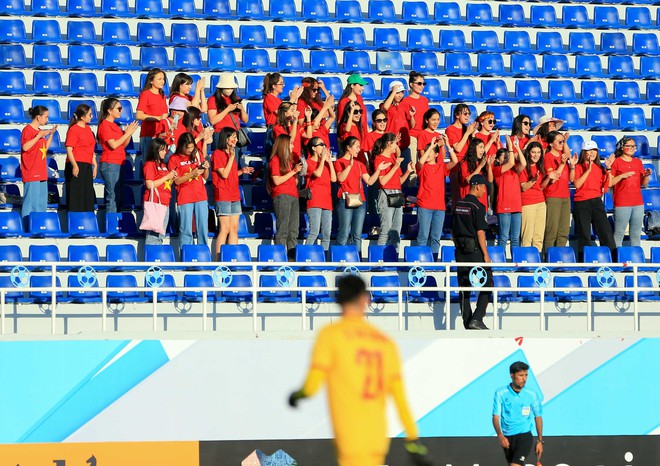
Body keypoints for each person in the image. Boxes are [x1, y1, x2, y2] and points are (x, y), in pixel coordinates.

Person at [288, 275, 431, 466]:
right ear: (365, 299)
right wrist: (412, 438)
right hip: (377, 438)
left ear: (339, 300)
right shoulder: (385, 342)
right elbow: (399, 397)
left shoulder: (331, 335)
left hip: (349, 437)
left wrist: (297, 396)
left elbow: (312, 384)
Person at [335, 137, 390, 255]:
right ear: (348, 148)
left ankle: (356, 260)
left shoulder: (360, 164)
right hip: (345, 199)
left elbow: (369, 181)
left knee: (357, 235)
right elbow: (340, 179)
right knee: (344, 233)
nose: (359, 150)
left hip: (360, 201)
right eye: (357, 147)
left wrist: (378, 170)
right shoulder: (339, 162)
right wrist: (349, 166)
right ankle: (340, 259)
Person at [452, 174, 493, 330]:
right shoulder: (477, 206)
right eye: (484, 188)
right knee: (487, 283)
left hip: (460, 250)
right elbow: (480, 232)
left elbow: (453, 230)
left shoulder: (457, 204)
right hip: (474, 251)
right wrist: (486, 255)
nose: (484, 192)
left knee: (464, 287)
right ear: (477, 186)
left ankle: (467, 322)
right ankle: (477, 318)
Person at [570, 141, 617, 261]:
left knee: (606, 232)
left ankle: (613, 260)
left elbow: (608, 185)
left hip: (596, 201)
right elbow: (577, 184)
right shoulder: (579, 166)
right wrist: (588, 170)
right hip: (582, 202)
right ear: (584, 153)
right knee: (584, 235)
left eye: (594, 150)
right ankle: (584, 261)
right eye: (589, 150)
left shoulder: (600, 168)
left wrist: (609, 168)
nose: (592, 153)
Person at [212, 128, 254, 257]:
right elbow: (223, 174)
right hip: (223, 195)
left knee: (234, 229)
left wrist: (242, 171)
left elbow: (230, 173)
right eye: (233, 137)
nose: (235, 139)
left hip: (234, 195)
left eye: (236, 137)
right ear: (225, 139)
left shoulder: (232, 154)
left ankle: (232, 258)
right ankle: (219, 259)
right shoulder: (217, 154)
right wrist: (231, 157)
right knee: (224, 229)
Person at [492, 361, 543, 466]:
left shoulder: (531, 394)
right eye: (521, 375)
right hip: (507, 438)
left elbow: (538, 417)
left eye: (526, 375)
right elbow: (496, 416)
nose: (524, 379)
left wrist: (540, 441)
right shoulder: (501, 393)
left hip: (524, 436)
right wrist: (500, 436)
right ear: (512, 375)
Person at [416, 135, 457, 255]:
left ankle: (433, 262)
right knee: (423, 236)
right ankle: (421, 262)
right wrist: (431, 146)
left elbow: (455, 161)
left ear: (436, 155)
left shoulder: (441, 167)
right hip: (425, 205)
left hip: (439, 207)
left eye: (432, 152)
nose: (428, 154)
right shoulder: (423, 168)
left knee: (435, 237)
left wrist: (448, 145)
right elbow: (420, 163)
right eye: (427, 152)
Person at [98, 98, 139, 213]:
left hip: (119, 162)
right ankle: (111, 226)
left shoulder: (115, 126)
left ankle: (116, 224)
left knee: (119, 196)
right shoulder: (105, 125)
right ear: (109, 111)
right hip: (111, 163)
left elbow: (123, 145)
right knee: (113, 197)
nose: (121, 111)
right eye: (118, 108)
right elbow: (113, 145)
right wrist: (127, 134)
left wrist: (128, 134)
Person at [169, 132, 209, 248]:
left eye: (192, 147)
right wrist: (191, 174)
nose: (190, 150)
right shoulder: (174, 159)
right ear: (181, 146)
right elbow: (176, 181)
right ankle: (186, 257)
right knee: (185, 229)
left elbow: (205, 177)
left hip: (200, 195)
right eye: (188, 147)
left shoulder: (197, 154)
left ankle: (203, 256)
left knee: (202, 228)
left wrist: (206, 167)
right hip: (185, 196)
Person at [374, 133, 414, 249]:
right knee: (385, 230)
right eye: (395, 144)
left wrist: (407, 171)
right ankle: (380, 260)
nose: (397, 146)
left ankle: (394, 259)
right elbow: (382, 181)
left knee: (396, 231)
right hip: (386, 194)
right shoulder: (379, 159)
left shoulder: (392, 158)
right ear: (389, 144)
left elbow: (399, 181)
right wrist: (395, 167)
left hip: (397, 193)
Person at [610, 136, 651, 248]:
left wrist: (646, 176)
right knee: (619, 233)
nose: (633, 148)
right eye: (629, 146)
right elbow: (610, 182)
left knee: (635, 234)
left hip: (638, 203)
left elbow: (644, 184)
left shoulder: (638, 162)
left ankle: (636, 261)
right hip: (622, 202)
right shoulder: (616, 162)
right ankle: (615, 260)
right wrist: (622, 176)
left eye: (634, 146)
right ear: (622, 148)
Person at [20, 106, 57, 222]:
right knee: (30, 204)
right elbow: (25, 147)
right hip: (32, 173)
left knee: (41, 205)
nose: (47, 119)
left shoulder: (39, 132)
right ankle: (27, 228)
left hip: (41, 173)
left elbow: (44, 148)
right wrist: (38, 137)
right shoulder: (28, 130)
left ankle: (39, 226)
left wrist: (51, 134)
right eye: (46, 117)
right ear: (38, 117)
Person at [269, 134, 302, 259]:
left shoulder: (290, 161)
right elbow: (276, 180)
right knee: (283, 229)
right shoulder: (276, 160)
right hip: (282, 195)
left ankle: (292, 259)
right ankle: (280, 258)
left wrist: (297, 173)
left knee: (293, 230)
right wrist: (293, 171)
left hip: (293, 195)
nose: (293, 146)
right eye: (291, 143)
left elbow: (294, 182)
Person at [492, 138, 527, 254]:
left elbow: (523, 163)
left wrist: (517, 147)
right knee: (503, 237)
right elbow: (511, 162)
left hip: (516, 206)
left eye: (508, 155)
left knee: (516, 238)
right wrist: (510, 147)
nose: (507, 157)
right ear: (498, 159)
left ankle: (514, 262)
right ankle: (501, 262)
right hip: (504, 206)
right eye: (504, 156)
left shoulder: (514, 170)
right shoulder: (496, 170)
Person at [142, 138, 177, 244]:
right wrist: (167, 177)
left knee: (160, 235)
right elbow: (149, 184)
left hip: (164, 202)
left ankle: (157, 257)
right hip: (155, 202)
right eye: (161, 150)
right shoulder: (149, 165)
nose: (164, 152)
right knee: (153, 234)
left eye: (165, 150)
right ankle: (151, 257)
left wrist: (172, 178)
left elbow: (165, 184)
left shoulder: (163, 165)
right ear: (155, 150)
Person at [304, 137, 337, 251]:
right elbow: (317, 174)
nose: (324, 147)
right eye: (321, 144)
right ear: (313, 148)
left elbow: (333, 179)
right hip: (314, 201)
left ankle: (324, 259)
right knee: (314, 231)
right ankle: (306, 256)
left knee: (327, 233)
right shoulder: (308, 162)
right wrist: (322, 160)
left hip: (326, 201)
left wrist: (329, 162)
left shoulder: (326, 164)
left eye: (324, 144)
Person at [543, 131, 572, 255]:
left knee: (564, 231)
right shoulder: (548, 157)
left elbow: (571, 177)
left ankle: (560, 257)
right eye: (559, 141)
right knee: (551, 231)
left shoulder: (563, 155)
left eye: (563, 141)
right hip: (553, 196)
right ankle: (548, 258)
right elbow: (553, 179)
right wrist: (562, 164)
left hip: (565, 196)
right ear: (550, 143)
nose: (562, 144)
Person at [519, 142, 552, 253]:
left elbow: (541, 187)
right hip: (528, 203)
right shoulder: (523, 167)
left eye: (538, 152)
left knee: (538, 236)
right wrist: (533, 180)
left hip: (541, 203)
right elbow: (523, 187)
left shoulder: (540, 167)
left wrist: (548, 178)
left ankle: (536, 260)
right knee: (527, 236)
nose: (536, 155)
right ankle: (526, 260)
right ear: (528, 153)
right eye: (533, 152)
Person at [65, 103, 97, 212]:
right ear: (82, 117)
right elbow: (69, 149)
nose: (91, 117)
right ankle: (75, 224)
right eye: (90, 114)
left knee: (87, 196)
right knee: (76, 197)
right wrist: (74, 165)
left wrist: (95, 164)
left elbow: (90, 149)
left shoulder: (88, 129)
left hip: (87, 165)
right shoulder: (74, 129)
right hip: (76, 163)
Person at [446, 104, 478, 211]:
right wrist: (467, 133)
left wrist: (472, 135)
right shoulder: (450, 129)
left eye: (469, 114)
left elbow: (473, 149)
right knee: (457, 197)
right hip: (457, 166)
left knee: (469, 196)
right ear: (456, 115)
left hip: (468, 166)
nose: (467, 116)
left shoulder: (466, 129)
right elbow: (458, 148)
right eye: (465, 113)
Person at [262, 73, 302, 157]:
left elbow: (290, 112)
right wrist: (292, 98)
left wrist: (296, 98)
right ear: (273, 86)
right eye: (281, 83)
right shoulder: (269, 97)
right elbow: (282, 113)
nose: (283, 85)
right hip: (274, 129)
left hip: (281, 127)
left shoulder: (278, 100)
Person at [207, 73, 248, 152]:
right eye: (227, 88)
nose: (229, 90)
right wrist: (227, 109)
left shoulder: (236, 98)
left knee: (234, 161)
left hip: (234, 135)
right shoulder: (213, 99)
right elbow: (213, 120)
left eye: (231, 88)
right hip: (221, 135)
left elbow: (245, 120)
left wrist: (242, 109)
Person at [380, 80, 415, 167]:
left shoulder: (405, 105)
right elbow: (385, 107)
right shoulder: (385, 105)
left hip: (404, 144)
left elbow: (412, 125)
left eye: (402, 92)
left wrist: (412, 116)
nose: (400, 95)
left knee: (406, 172)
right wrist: (394, 91)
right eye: (397, 92)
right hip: (390, 145)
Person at [136, 68, 168, 159]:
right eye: (159, 79)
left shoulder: (163, 96)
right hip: (149, 134)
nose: (162, 81)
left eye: (163, 79)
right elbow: (139, 115)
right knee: (149, 163)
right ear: (151, 81)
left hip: (161, 135)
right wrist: (158, 118)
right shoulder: (145, 94)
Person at [459, 138, 494, 211]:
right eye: (480, 147)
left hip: (482, 204)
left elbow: (490, 180)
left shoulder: (482, 163)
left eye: (483, 148)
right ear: (474, 148)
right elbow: (468, 179)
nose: (483, 150)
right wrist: (480, 166)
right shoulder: (464, 163)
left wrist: (489, 165)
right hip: (469, 205)